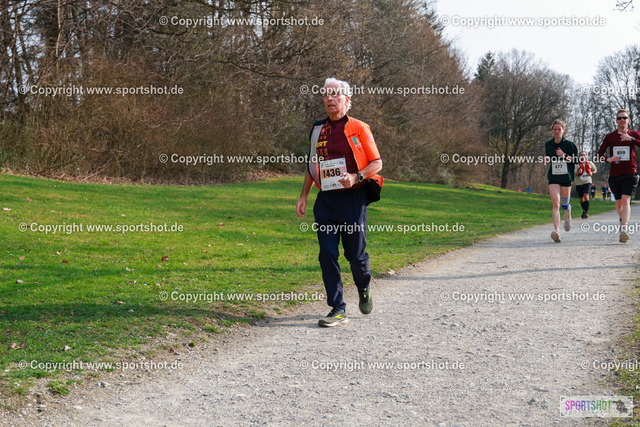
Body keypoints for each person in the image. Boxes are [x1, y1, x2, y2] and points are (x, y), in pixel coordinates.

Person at [296, 77, 383, 327]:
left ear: (347, 100)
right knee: (327, 253)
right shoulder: (317, 129)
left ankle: (364, 287)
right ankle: (337, 307)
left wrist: (356, 176)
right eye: (326, 95)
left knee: (355, 255)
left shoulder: (359, 128)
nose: (329, 99)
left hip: (353, 198)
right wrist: (304, 195)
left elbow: (376, 163)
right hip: (326, 200)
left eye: (335, 95)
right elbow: (312, 165)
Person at [597, 109, 640, 242]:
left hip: (630, 173)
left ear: (628, 120)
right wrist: (609, 159)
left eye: (624, 118)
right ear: (616, 120)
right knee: (619, 204)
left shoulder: (634, 134)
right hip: (615, 175)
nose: (622, 120)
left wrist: (631, 139)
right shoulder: (610, 136)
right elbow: (599, 155)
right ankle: (622, 219)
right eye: (620, 118)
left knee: (626, 200)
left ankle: (624, 229)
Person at [545, 119, 578, 243]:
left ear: (563, 130)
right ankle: (557, 231)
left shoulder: (569, 145)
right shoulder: (548, 144)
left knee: (564, 204)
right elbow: (548, 155)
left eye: (559, 129)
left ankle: (568, 216)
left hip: (566, 177)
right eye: (555, 129)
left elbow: (576, 160)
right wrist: (546, 159)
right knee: (556, 203)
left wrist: (564, 155)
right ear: (552, 130)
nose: (557, 131)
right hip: (553, 176)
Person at [574, 151, 597, 218]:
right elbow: (573, 175)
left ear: (586, 156)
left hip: (587, 182)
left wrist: (592, 173)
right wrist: (578, 173)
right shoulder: (576, 164)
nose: (582, 156)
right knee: (581, 198)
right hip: (579, 183)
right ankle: (584, 211)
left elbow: (595, 170)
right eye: (581, 155)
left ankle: (586, 212)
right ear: (579, 156)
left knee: (586, 194)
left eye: (584, 155)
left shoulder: (590, 163)